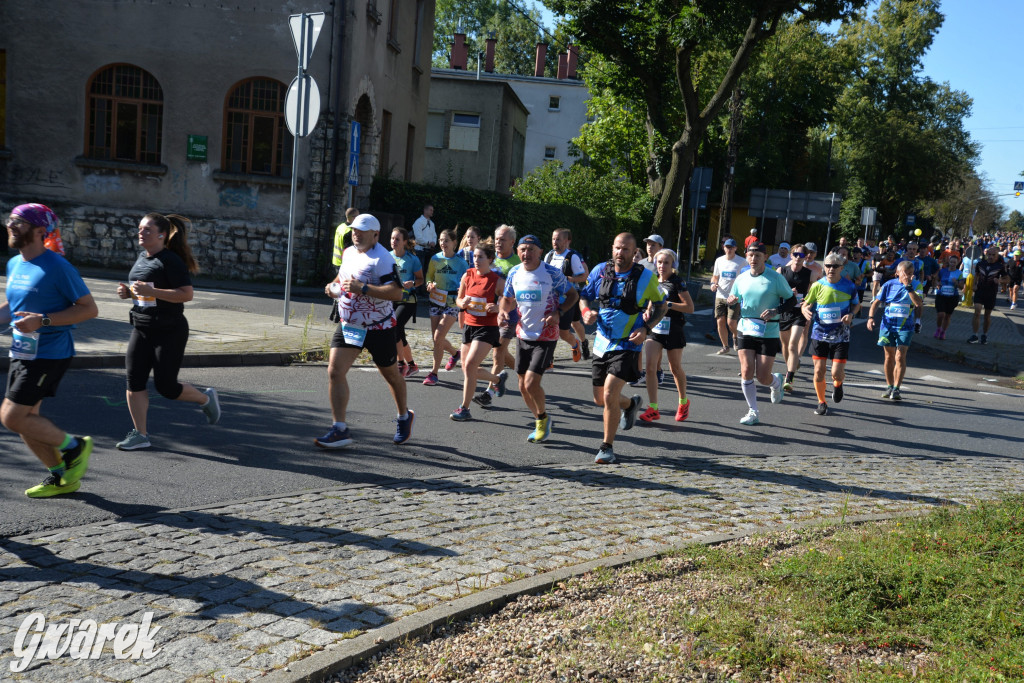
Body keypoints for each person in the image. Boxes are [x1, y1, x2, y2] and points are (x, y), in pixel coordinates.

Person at [2, 204, 98, 497]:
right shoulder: (15, 263)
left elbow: (89, 309)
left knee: (12, 417)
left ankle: (75, 447)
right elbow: (13, 307)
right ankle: (61, 477)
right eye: (10, 219)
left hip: (50, 353)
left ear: (40, 231)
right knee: (27, 421)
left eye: (19, 222)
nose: (10, 225)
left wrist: (42, 320)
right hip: (22, 351)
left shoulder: (58, 267)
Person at [114, 213, 221, 451]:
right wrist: (129, 293)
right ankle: (140, 434)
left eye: (147, 229)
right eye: (140, 228)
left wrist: (152, 292)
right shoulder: (142, 257)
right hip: (141, 327)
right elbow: (145, 292)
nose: (141, 233)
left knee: (167, 387)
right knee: (134, 381)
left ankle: (205, 398)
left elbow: (186, 294)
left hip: (169, 330)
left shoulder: (170, 260)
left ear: (162, 235)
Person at [317, 213, 414, 447]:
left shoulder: (382, 258)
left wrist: (363, 288)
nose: (356, 234)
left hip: (378, 328)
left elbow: (396, 293)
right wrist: (333, 286)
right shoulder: (349, 253)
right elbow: (341, 278)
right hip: (350, 325)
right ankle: (339, 428)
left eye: (361, 231)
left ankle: (404, 416)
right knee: (335, 371)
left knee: (391, 375)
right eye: (354, 230)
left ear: (375, 235)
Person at [580, 233, 666, 463]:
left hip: (628, 343)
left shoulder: (646, 277)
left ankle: (606, 447)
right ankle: (631, 404)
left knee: (610, 394)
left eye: (626, 249)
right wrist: (586, 312)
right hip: (602, 342)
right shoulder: (600, 270)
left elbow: (662, 306)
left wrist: (646, 328)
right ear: (612, 248)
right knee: (600, 398)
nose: (621, 253)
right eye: (617, 248)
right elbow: (584, 297)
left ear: (634, 252)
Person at [499, 234, 577, 443]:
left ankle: (542, 419)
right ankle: (540, 419)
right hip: (523, 334)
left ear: (540, 252)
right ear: (518, 252)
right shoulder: (514, 272)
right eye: (523, 250)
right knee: (522, 386)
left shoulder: (552, 273)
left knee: (532, 382)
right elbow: (507, 298)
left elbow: (573, 295)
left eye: (531, 250)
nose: (527, 253)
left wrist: (559, 312)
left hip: (546, 335)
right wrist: (503, 312)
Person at [727, 242, 795, 425]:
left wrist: (775, 311)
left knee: (763, 377)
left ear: (765, 257)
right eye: (750, 255)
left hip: (768, 331)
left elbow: (791, 300)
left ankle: (776, 383)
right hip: (746, 327)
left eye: (758, 255)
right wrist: (731, 302)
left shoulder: (775, 278)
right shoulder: (741, 279)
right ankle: (753, 411)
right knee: (746, 370)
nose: (753, 259)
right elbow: (734, 301)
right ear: (746, 257)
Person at [450, 239, 508, 420]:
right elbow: (458, 299)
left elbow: (510, 302)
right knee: (468, 369)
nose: (476, 260)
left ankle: (464, 409)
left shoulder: (497, 281)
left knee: (470, 365)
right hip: (469, 326)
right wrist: (463, 303)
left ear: (490, 259)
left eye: (480, 257)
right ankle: (497, 380)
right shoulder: (467, 275)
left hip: (487, 328)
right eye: (474, 256)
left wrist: (498, 308)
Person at [638, 249, 693, 423]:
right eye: (659, 262)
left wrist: (668, 305)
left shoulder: (677, 282)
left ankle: (683, 402)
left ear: (672, 265)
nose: (662, 266)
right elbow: (651, 300)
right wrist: (648, 312)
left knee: (675, 368)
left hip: (673, 328)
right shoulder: (653, 279)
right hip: (655, 328)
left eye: (666, 263)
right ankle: (653, 408)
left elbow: (689, 307)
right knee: (650, 367)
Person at [801, 252, 860, 416]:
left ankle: (838, 384)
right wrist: (805, 310)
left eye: (835, 266)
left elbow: (856, 304)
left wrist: (851, 314)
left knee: (836, 373)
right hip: (819, 334)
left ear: (841, 268)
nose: (831, 269)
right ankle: (822, 402)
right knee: (819, 371)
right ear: (824, 267)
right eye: (828, 266)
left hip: (841, 335)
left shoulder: (849, 286)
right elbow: (806, 304)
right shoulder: (817, 285)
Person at [474, 225, 521, 406]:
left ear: (512, 242)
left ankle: (489, 392)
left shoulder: (517, 264)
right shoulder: (489, 259)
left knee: (497, 352)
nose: (498, 243)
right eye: (497, 239)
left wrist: (502, 308)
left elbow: (518, 295)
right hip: (486, 315)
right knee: (502, 352)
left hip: (509, 315)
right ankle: (523, 372)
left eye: (503, 240)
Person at [867, 260, 922, 401]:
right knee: (889, 356)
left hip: (905, 326)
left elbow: (918, 303)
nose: (908, 276)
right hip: (888, 324)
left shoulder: (916, 285)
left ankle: (897, 389)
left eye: (911, 273)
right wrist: (871, 317)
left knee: (900, 356)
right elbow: (876, 302)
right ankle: (889, 386)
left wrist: (908, 287)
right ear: (897, 273)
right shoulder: (888, 284)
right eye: (905, 273)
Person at [422, 229, 469, 385]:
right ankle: (455, 354)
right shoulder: (435, 258)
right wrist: (429, 284)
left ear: (454, 243)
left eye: (446, 240)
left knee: (438, 337)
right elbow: (429, 276)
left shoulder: (461, 263)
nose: (443, 243)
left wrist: (462, 290)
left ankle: (433, 373)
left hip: (452, 302)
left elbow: (468, 282)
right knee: (437, 339)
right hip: (436, 299)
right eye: (441, 240)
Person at [776, 244, 817, 394]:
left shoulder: (810, 274)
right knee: (785, 345)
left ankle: (789, 378)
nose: (798, 258)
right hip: (784, 311)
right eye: (795, 254)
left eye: (801, 255)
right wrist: (787, 293)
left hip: (799, 312)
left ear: (805, 257)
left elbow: (812, 295)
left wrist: (807, 307)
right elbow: (775, 291)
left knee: (793, 344)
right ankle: (791, 366)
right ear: (791, 255)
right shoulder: (781, 271)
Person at [544, 228, 589, 363]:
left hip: (569, 297)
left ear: (567, 241)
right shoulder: (549, 256)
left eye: (558, 239)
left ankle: (580, 343)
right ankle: (549, 359)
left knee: (569, 328)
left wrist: (570, 279)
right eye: (553, 239)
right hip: (552, 298)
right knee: (549, 325)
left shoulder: (573, 257)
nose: (555, 242)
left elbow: (584, 276)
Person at [389, 227, 423, 377]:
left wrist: (413, 283)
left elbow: (421, 279)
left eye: (397, 239)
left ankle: (401, 363)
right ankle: (412, 365)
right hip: (391, 299)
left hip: (407, 300)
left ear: (404, 242)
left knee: (395, 326)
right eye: (392, 238)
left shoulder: (412, 259)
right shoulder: (387, 257)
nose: (394, 241)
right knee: (399, 334)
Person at [709, 238, 746, 354]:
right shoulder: (719, 260)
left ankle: (735, 336)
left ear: (735, 248)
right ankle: (725, 346)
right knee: (720, 321)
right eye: (727, 247)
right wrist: (713, 284)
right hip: (720, 295)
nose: (729, 249)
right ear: (723, 248)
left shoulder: (742, 262)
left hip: (734, 297)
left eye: (731, 247)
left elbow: (747, 278)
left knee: (731, 323)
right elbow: (715, 277)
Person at [967, 247, 1008, 344]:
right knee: (977, 311)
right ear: (986, 254)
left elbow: (1007, 279)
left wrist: (1000, 280)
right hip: (980, 291)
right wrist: (974, 285)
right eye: (989, 254)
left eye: (993, 255)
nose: (991, 257)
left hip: (991, 293)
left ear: (997, 256)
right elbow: (976, 275)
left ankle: (984, 335)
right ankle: (975, 335)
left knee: (987, 315)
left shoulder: (1000, 266)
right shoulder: (980, 264)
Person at [932, 254, 965, 339]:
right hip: (941, 295)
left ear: (957, 263)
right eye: (951, 262)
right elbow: (936, 280)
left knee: (947, 316)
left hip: (952, 297)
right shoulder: (942, 271)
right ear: (949, 262)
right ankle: (938, 329)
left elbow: (962, 287)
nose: (952, 264)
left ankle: (943, 332)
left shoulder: (959, 273)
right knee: (941, 314)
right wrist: (938, 284)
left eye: (954, 262)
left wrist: (956, 283)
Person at [411, 203, 437, 281]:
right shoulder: (418, 222)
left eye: (433, 210)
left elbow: (434, 236)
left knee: (427, 271)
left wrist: (434, 242)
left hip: (429, 250)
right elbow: (418, 237)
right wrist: (428, 242)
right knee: (420, 271)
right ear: (425, 210)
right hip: (419, 250)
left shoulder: (432, 223)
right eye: (430, 210)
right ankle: (418, 288)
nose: (432, 212)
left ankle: (425, 287)